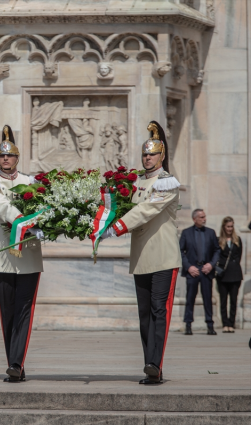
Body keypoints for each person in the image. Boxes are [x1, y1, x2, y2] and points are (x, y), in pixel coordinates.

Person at [102, 121, 182, 385]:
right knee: (145, 314)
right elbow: (122, 206)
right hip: (141, 258)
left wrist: (118, 227)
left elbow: (147, 210)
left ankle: (154, 365)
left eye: (152, 154)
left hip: (163, 256)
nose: (147, 157)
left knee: (160, 310)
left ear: (162, 156)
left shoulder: (167, 182)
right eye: (145, 154)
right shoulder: (135, 182)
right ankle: (149, 363)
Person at [0, 125, 43, 383]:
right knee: (8, 314)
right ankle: (13, 361)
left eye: (10, 155)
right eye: (2, 156)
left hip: (29, 257)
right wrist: (31, 221)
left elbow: (45, 206)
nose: (6, 159)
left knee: (24, 311)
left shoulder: (32, 183)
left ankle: (16, 363)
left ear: (17, 158)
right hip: (3, 256)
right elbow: (1, 208)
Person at [179, 209, 220, 336]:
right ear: (194, 219)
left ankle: (210, 325)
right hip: (193, 271)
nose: (204, 219)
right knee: (190, 298)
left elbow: (217, 251)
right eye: (201, 217)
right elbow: (180, 251)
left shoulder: (211, 233)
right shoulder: (186, 233)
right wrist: (188, 267)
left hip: (206, 270)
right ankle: (188, 325)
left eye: (204, 216)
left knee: (207, 298)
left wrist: (211, 264)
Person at [216, 217, 243, 333]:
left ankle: (231, 323)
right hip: (223, 274)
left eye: (231, 226)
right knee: (223, 300)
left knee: (233, 300)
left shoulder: (237, 240)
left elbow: (239, 256)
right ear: (224, 227)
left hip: (235, 274)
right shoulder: (218, 240)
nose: (230, 229)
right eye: (228, 226)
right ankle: (225, 323)